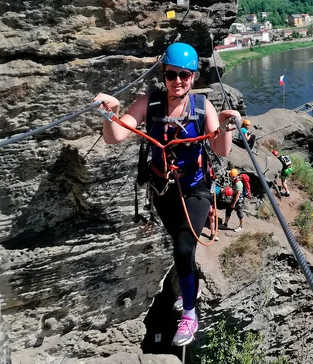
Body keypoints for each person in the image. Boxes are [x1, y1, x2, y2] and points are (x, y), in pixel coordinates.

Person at [93, 42, 237, 347]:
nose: (179, 80)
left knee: (184, 249)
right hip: (163, 190)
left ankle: (189, 313)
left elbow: (221, 150)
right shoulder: (151, 104)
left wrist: (225, 127)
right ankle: (190, 279)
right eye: (172, 74)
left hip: (195, 189)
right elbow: (116, 136)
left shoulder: (202, 108)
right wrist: (110, 115)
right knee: (179, 246)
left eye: (185, 75)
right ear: (164, 74)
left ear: (194, 76)